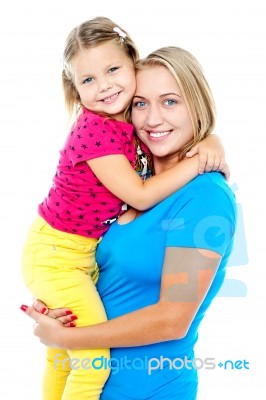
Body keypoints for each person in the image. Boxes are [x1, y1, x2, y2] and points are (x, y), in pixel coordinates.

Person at [21, 45, 236, 399]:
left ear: (197, 105)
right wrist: (59, 308)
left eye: (170, 101)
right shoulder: (133, 180)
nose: (152, 119)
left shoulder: (205, 199)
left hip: (149, 388)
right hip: (91, 384)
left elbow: (172, 319)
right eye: (140, 103)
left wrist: (68, 338)